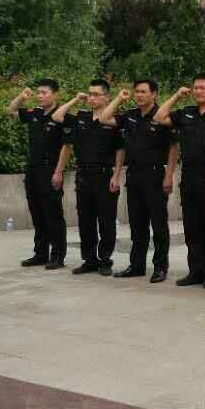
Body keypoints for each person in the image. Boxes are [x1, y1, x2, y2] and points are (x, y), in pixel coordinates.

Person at [155, 74, 205, 289]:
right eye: (195, 88)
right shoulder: (186, 113)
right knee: (192, 226)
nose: (198, 91)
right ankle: (195, 271)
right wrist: (177, 96)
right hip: (189, 176)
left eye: (202, 88)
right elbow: (160, 117)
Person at [100, 79, 177, 282]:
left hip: (154, 175)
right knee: (137, 225)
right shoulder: (130, 115)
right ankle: (137, 265)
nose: (139, 95)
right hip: (134, 175)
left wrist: (169, 175)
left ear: (154, 94)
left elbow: (173, 148)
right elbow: (104, 118)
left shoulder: (162, 116)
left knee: (158, 225)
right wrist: (119, 98)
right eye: (137, 92)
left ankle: (160, 267)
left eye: (143, 92)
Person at [53, 79, 124, 276]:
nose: (91, 98)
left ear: (106, 97)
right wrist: (76, 99)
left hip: (104, 175)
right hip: (83, 176)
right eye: (89, 94)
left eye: (96, 94)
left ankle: (105, 260)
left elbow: (120, 150)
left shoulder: (113, 120)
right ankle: (90, 259)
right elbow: (57, 116)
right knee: (85, 220)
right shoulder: (81, 117)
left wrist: (117, 175)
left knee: (106, 221)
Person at [8, 80, 68, 269]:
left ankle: (57, 255)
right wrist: (21, 97)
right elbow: (11, 111)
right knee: (37, 212)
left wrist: (58, 172)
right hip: (33, 169)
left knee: (53, 214)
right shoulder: (35, 113)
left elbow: (66, 147)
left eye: (44, 92)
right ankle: (41, 253)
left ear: (55, 94)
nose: (40, 96)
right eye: (38, 92)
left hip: (50, 169)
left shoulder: (61, 116)